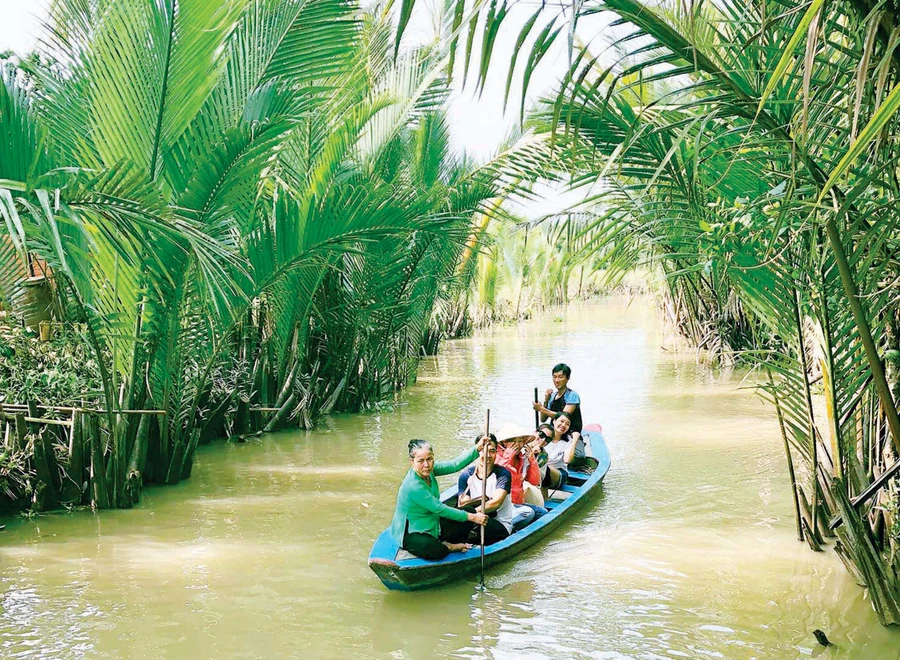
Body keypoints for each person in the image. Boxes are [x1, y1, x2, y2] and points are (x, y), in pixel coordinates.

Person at [390, 438, 489, 561]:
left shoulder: (430, 470)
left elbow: (454, 465)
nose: (426, 465)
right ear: (412, 462)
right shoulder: (413, 486)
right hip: (411, 532)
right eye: (420, 461)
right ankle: (450, 547)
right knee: (433, 548)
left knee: (470, 510)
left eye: (429, 459)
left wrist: (477, 448)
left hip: (432, 522)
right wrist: (473, 518)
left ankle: (445, 540)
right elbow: (440, 509)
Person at [450, 434, 515, 544]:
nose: (488, 455)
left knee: (477, 525)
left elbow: (495, 503)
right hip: (474, 520)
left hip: (499, 524)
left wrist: (469, 515)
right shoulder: (466, 476)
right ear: (477, 452)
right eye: (483, 451)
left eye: (492, 451)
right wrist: (468, 515)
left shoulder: (503, 474)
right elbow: (464, 502)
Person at [495, 427, 548, 527]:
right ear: (504, 442)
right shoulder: (497, 455)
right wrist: (508, 456)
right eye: (514, 442)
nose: (518, 445)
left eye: (520, 441)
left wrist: (532, 459)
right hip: (501, 505)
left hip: (517, 503)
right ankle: (503, 527)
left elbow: (535, 481)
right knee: (528, 513)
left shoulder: (521, 458)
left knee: (542, 513)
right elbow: (496, 474)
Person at [532, 363, 583, 448]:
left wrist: (541, 409)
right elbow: (543, 419)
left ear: (568, 378)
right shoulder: (552, 396)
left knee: (578, 457)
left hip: (570, 433)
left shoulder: (572, 396)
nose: (557, 380)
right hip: (554, 433)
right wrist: (546, 400)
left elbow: (563, 418)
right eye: (554, 377)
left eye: (560, 377)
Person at [541, 413, 578, 497]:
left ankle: (545, 499)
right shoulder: (544, 437)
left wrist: (574, 440)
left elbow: (567, 460)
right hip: (540, 473)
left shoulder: (568, 440)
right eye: (561, 421)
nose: (563, 425)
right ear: (554, 421)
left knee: (543, 468)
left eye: (567, 424)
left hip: (558, 474)